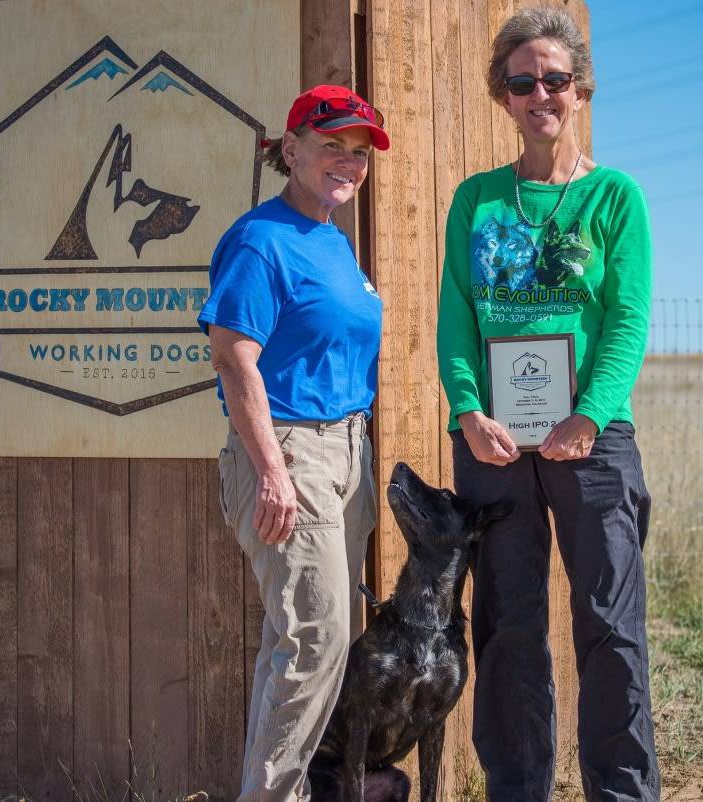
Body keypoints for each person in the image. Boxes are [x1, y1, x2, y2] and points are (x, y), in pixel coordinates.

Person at [436, 7, 660, 802]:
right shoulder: (477, 200)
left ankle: (622, 792)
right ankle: (517, 789)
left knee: (609, 626)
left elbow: (629, 317)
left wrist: (589, 414)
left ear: (581, 90)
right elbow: (457, 314)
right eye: (523, 81)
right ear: (503, 96)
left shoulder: (615, 198)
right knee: (508, 626)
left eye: (556, 80)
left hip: (592, 442)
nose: (541, 94)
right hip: (494, 442)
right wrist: (467, 409)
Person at [197, 84, 389, 802]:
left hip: (344, 451)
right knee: (313, 642)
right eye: (333, 144)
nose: (348, 162)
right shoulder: (261, 238)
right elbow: (233, 356)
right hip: (287, 452)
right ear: (291, 149)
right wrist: (274, 475)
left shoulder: (332, 241)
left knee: (303, 645)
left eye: (360, 151)